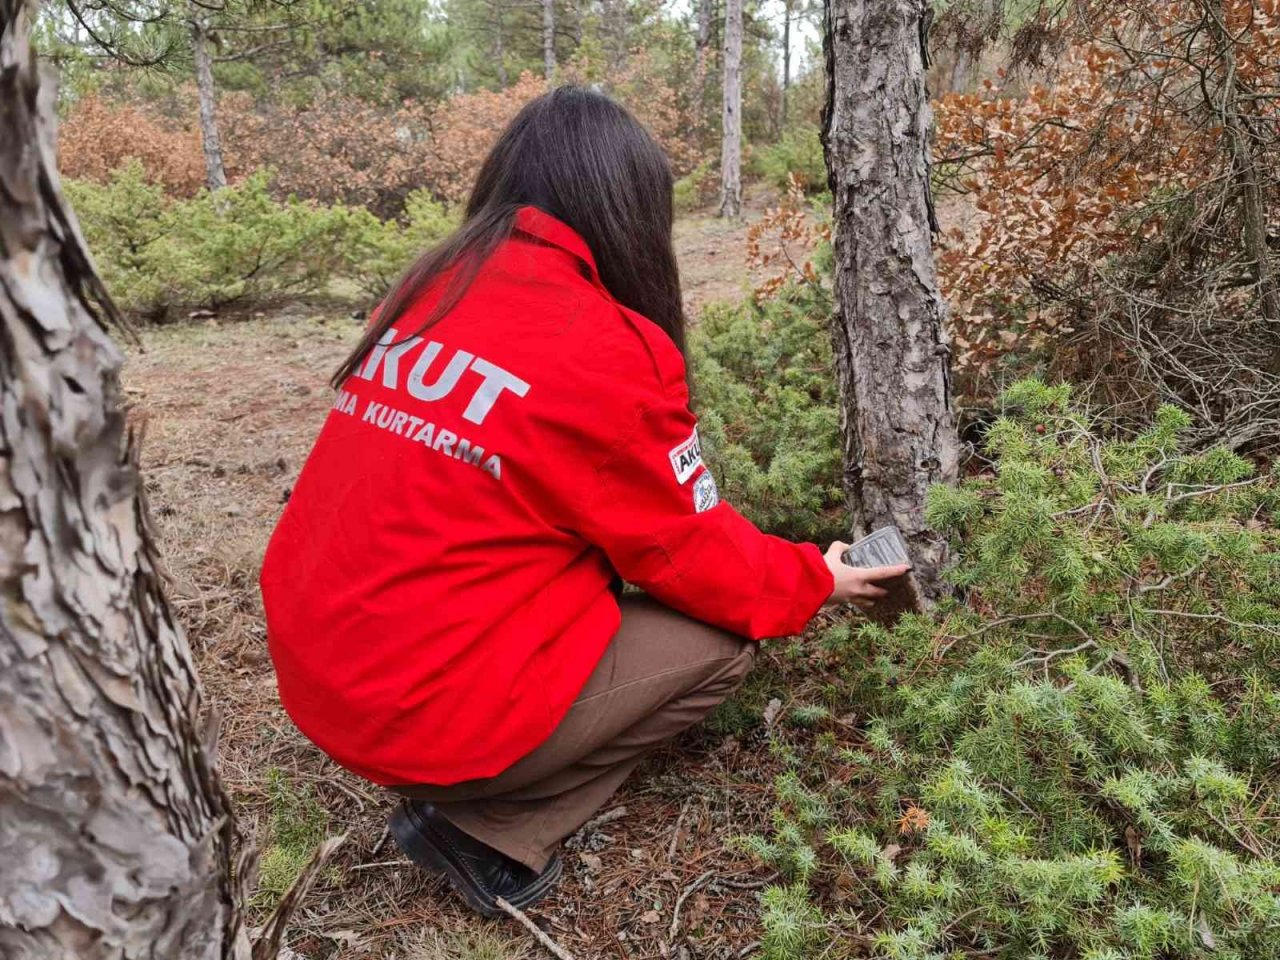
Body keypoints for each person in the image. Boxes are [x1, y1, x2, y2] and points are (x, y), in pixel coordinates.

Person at [259, 86, 909, 918]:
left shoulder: (431, 289)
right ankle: (488, 831)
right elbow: (691, 554)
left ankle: (466, 769)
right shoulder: (602, 344)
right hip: (413, 712)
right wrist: (815, 578)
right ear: (630, 210)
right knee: (721, 646)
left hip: (322, 678)